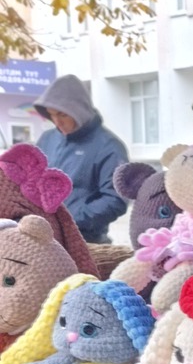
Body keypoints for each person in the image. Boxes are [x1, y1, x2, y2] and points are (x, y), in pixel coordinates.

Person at [31, 75, 128, 244]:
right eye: (51, 115)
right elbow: (30, 181)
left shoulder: (109, 147)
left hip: (85, 241)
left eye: (62, 114)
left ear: (79, 111)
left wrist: (70, 220)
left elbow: (115, 200)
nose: (57, 122)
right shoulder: (47, 139)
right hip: (42, 237)